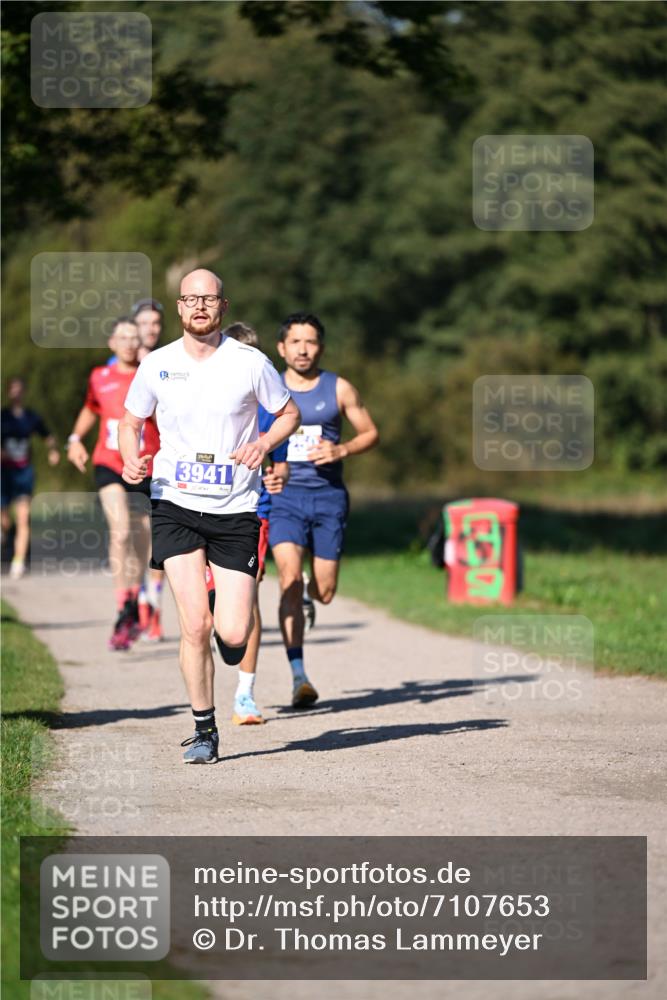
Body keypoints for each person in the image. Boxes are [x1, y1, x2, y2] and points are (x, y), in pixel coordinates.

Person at [119, 269, 300, 764]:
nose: (200, 306)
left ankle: (225, 618)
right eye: (191, 299)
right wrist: (130, 457)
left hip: (235, 509)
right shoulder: (157, 364)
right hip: (174, 504)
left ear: (223, 306)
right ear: (180, 307)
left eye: (209, 299)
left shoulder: (250, 362)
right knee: (194, 625)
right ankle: (204, 729)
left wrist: (263, 443)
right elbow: (130, 422)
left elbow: (289, 414)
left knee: (234, 634)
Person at [270, 312, 379, 708]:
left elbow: (371, 432)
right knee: (287, 578)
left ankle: (309, 594)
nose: (303, 349)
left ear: (321, 347)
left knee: (326, 591)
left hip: (328, 497)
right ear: (281, 348)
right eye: (295, 342)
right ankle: (299, 675)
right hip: (284, 498)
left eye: (311, 341)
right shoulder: (267, 388)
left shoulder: (339, 388)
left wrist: (342, 449)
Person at [67, 318, 160, 650]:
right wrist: (74, 439)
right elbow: (90, 409)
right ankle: (124, 607)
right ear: (112, 343)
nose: (129, 343)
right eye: (123, 337)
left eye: (134, 338)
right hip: (108, 463)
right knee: (120, 533)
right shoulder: (99, 376)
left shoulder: (152, 375)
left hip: (145, 464)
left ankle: (136, 597)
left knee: (142, 541)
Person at [217, 322, 290, 725]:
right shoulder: (202, 397)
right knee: (211, 604)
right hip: (200, 511)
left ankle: (245, 693)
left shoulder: (270, 407)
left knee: (249, 599)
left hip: (252, 512)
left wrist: (278, 476)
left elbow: (281, 464)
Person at [107, 299, 166, 637]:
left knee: (156, 537)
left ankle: (153, 603)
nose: (151, 330)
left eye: (156, 324)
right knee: (128, 535)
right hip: (127, 461)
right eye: (145, 323)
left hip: (161, 460)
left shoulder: (169, 361)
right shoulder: (117, 365)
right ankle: (135, 600)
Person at [1, 377, 60, 579]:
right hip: (4, 474)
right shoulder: (3, 417)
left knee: (24, 516)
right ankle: (7, 535)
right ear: (9, 392)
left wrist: (53, 451)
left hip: (24, 472)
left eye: (20, 389)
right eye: (13, 389)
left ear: (24, 392)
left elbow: (48, 436)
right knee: (4, 519)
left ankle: (18, 561)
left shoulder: (31, 417)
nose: (16, 393)